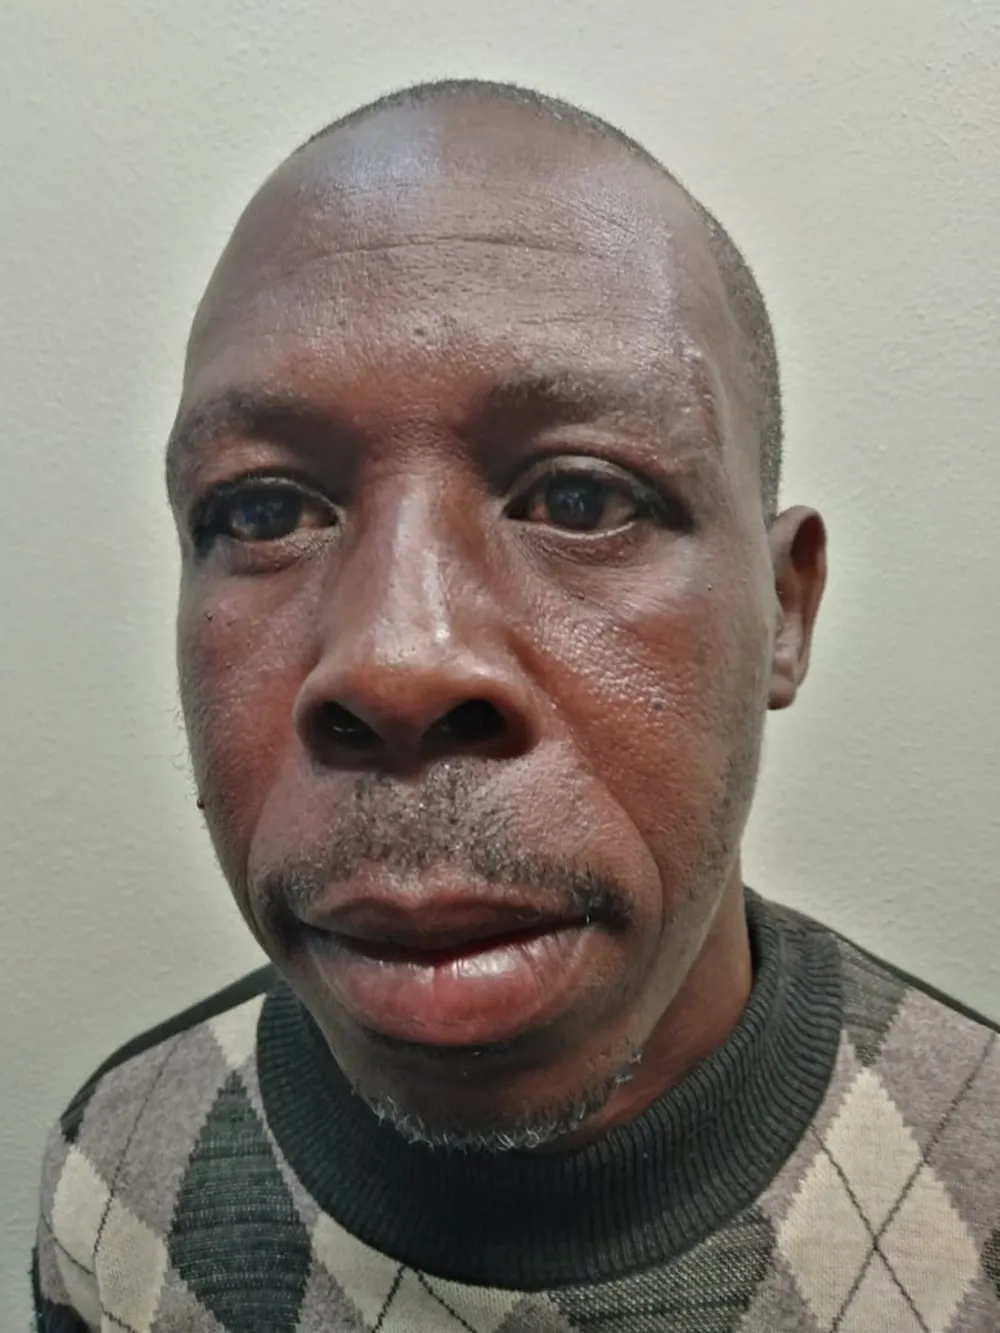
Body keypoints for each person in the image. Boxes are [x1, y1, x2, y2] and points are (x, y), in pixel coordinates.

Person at [33, 79, 999, 1333]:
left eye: (581, 499)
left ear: (784, 609)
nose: (396, 663)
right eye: (262, 510)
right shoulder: (119, 1174)